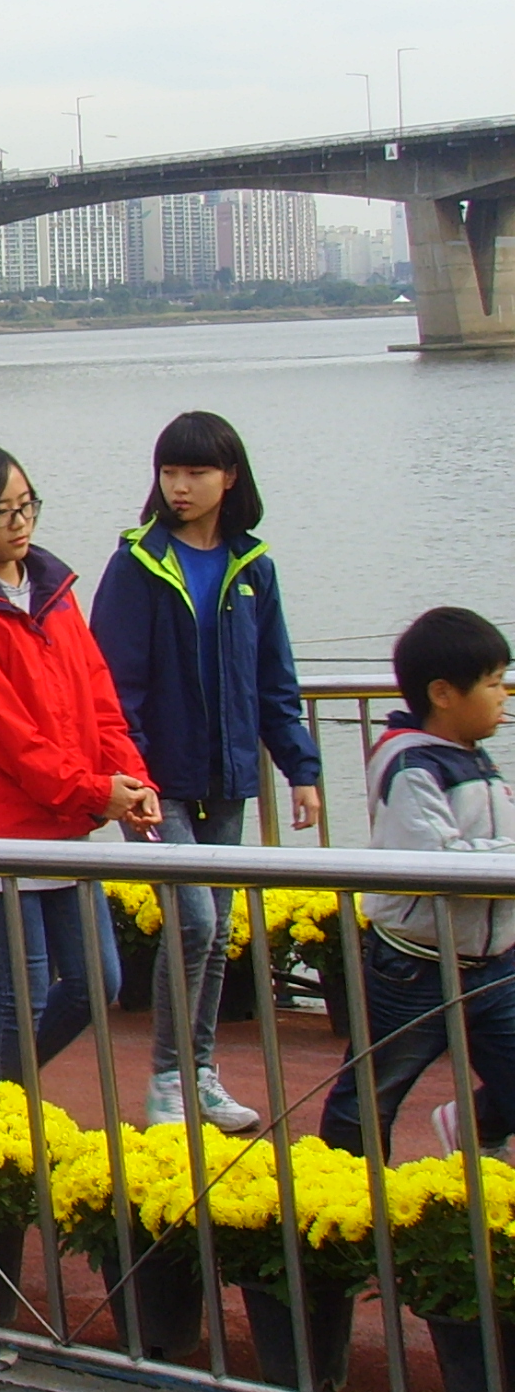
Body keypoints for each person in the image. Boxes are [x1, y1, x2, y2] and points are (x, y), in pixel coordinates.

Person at [92, 410, 322, 1130]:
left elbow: (275, 679)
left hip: (226, 775)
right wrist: (130, 774)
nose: (180, 486)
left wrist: (302, 768)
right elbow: (112, 685)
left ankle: (199, 1073)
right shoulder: (137, 564)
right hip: (154, 781)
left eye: (196, 472)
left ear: (230, 477)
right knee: (192, 920)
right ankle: (168, 1077)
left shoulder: (253, 566)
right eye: (170, 471)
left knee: (217, 930)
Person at [0, 440, 159, 1090]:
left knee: (95, 981)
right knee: (21, 992)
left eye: (28, 506)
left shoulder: (53, 591)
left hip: (62, 819)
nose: (21, 522)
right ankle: (1, 1117)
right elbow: (6, 735)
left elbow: (98, 697)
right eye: (4, 512)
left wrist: (131, 778)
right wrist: (94, 791)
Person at [319, 607, 515, 1160]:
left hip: (494, 961)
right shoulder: (411, 766)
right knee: (371, 1094)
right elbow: (438, 862)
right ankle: (343, 1191)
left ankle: (476, 1126)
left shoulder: (471, 754)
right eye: (493, 683)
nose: (504, 695)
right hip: (414, 965)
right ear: (443, 694)